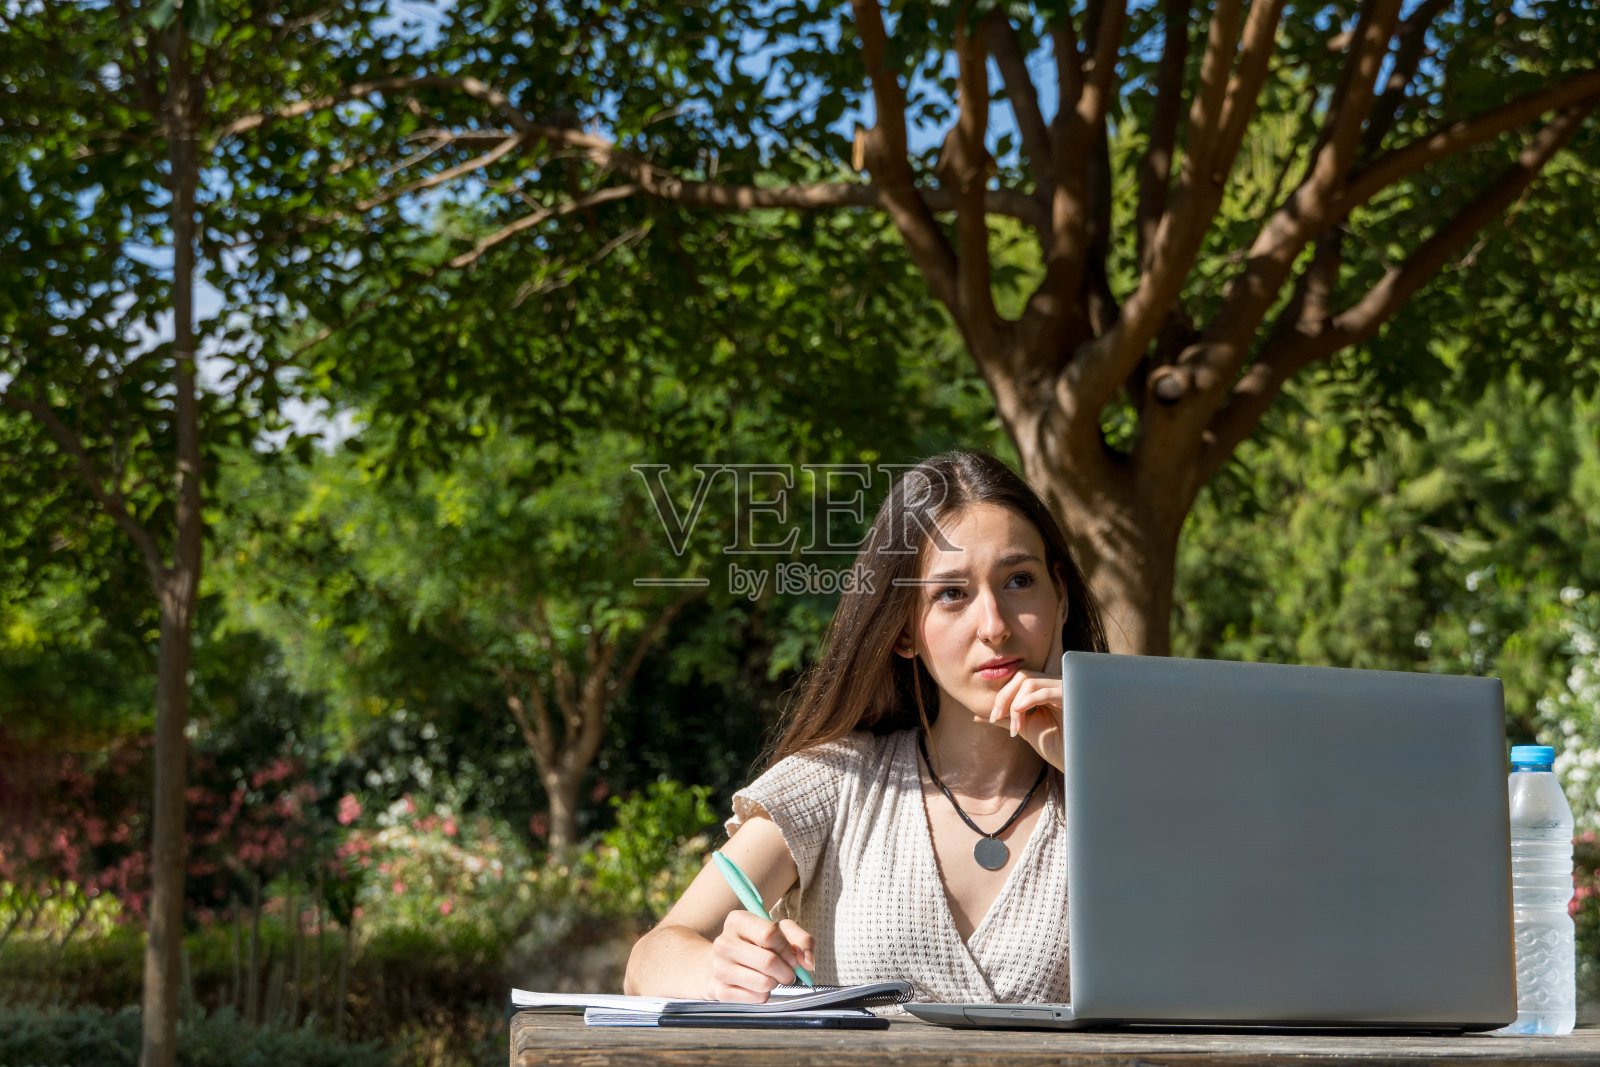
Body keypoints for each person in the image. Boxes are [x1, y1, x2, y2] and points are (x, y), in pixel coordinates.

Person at [624, 450, 1109, 1004]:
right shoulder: (835, 781)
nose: (994, 626)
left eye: (1019, 580)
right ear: (904, 631)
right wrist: (716, 970)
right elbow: (649, 957)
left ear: (1061, 595)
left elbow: (1222, 937)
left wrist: (1099, 771)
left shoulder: (1133, 782)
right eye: (951, 593)